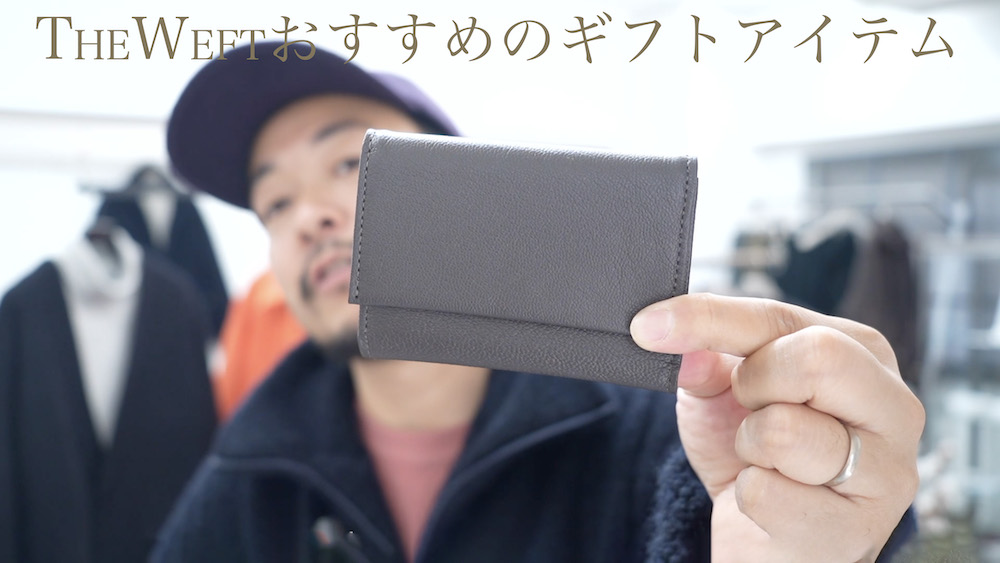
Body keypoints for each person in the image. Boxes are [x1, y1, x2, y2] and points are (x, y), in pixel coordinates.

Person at [152, 41, 923, 562]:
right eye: (274, 204)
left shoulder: (672, 442)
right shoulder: (243, 478)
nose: (307, 218)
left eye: (351, 163)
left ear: (465, 190)